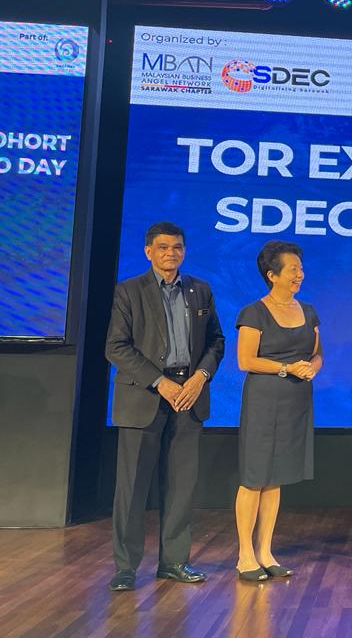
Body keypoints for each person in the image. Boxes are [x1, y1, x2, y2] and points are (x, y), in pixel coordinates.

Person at [105, 221, 225, 591]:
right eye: (163, 247)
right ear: (148, 251)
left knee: (180, 486)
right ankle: (126, 568)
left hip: (189, 396)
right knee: (132, 488)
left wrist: (199, 377)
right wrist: (160, 382)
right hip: (144, 396)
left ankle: (174, 562)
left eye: (177, 247)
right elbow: (116, 347)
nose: (171, 253)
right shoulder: (129, 291)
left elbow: (216, 341)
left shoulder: (199, 290)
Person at [234, 240, 322, 581]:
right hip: (263, 400)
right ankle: (245, 555)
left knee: (275, 478)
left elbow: (317, 353)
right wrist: (286, 368)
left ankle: (266, 551)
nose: (300, 274)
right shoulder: (254, 313)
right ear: (272, 275)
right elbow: (246, 360)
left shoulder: (309, 311)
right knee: (254, 477)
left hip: (295, 401)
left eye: (301, 269)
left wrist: (312, 367)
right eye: (292, 269)